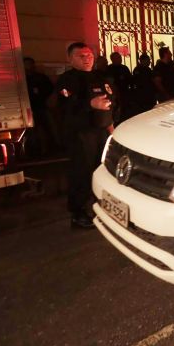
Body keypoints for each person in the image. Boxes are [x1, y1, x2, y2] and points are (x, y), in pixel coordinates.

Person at [56, 42, 115, 229]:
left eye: (89, 55)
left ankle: (101, 207)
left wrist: (111, 129)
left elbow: (110, 104)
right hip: (80, 134)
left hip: (102, 132)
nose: (87, 58)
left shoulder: (100, 77)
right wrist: (90, 105)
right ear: (70, 59)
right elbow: (66, 106)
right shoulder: (67, 80)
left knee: (103, 171)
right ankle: (78, 213)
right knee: (81, 172)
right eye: (81, 56)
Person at [23, 57, 55, 157]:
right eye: (26, 64)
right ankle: (35, 150)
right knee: (32, 130)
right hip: (28, 108)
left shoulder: (40, 77)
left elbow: (50, 88)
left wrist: (42, 95)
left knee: (47, 128)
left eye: (30, 64)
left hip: (41, 106)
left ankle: (47, 149)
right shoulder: (22, 78)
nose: (28, 66)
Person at [107, 52, 132, 125]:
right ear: (112, 59)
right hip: (114, 95)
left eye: (120, 57)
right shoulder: (109, 69)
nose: (120, 59)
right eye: (117, 58)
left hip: (125, 93)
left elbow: (130, 79)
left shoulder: (124, 68)